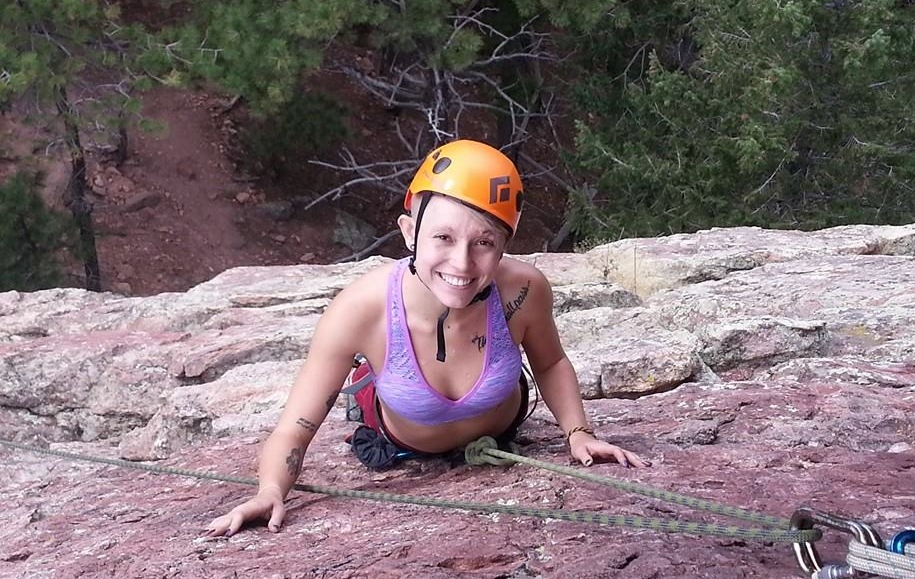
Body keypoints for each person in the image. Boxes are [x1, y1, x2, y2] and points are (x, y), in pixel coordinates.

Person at [205, 139, 644, 537]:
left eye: (484, 243)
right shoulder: (361, 308)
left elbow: (549, 363)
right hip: (396, 442)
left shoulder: (524, 290)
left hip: (502, 429)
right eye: (443, 237)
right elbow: (294, 430)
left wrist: (578, 433)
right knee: (380, 372)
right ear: (409, 231)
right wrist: (270, 490)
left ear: (505, 245)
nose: (462, 262)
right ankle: (374, 376)